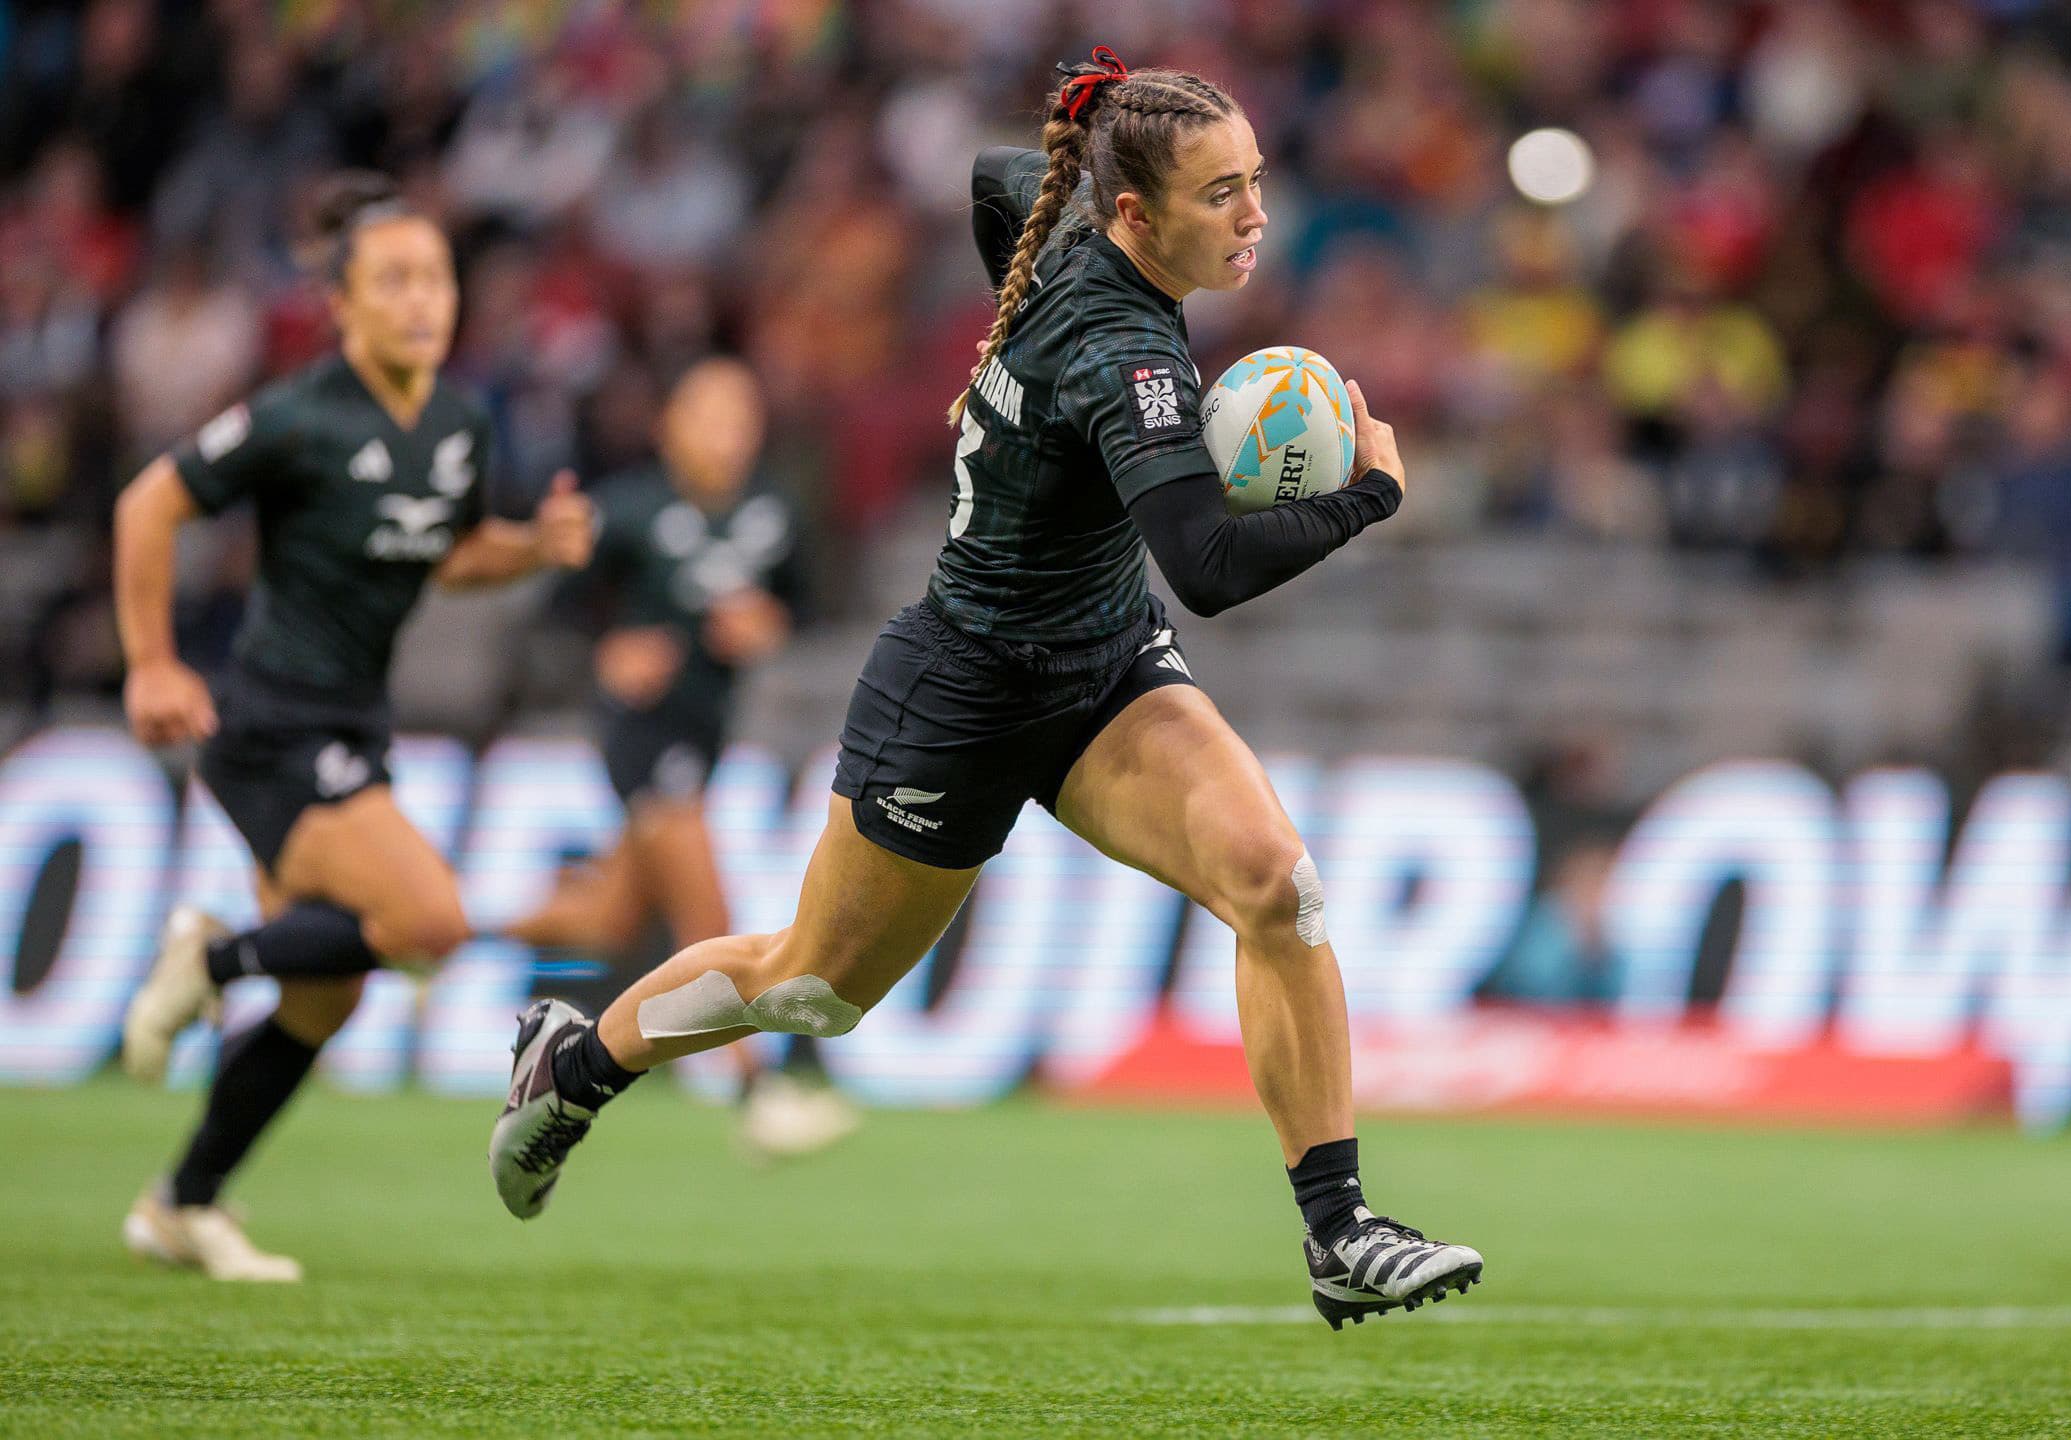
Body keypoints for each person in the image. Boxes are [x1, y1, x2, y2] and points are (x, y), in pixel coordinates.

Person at [487, 49, 1484, 1329]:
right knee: (812, 987)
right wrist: (1372, 494)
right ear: (1137, 217)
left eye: (1254, 179)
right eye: (1221, 192)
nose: (1255, 214)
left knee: (1274, 883)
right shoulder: (1126, 352)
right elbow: (1209, 568)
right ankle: (575, 1064)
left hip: (1104, 670)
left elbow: (996, 176)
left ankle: (1340, 1231)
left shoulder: (1066, 230)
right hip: (960, 692)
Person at [113, 172, 595, 1281]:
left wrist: (533, 546)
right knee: (429, 921)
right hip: (272, 724)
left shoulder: (460, 423)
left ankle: (182, 1203)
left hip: (351, 725)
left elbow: (452, 555)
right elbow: (150, 502)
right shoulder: (299, 415)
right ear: (340, 304)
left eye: (436, 278)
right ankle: (211, 956)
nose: (423, 300)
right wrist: (151, 662)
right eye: (394, 281)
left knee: (324, 996)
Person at [500, 357, 856, 1159]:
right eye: (709, 418)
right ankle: (757, 1092)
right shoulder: (628, 509)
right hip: (642, 734)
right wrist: (608, 650)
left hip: (705, 733)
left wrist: (770, 625)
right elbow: (553, 618)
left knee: (602, 921)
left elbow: (806, 604)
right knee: (709, 912)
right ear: (670, 427)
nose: (727, 437)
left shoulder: (774, 510)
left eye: (741, 420)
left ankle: (435, 935)